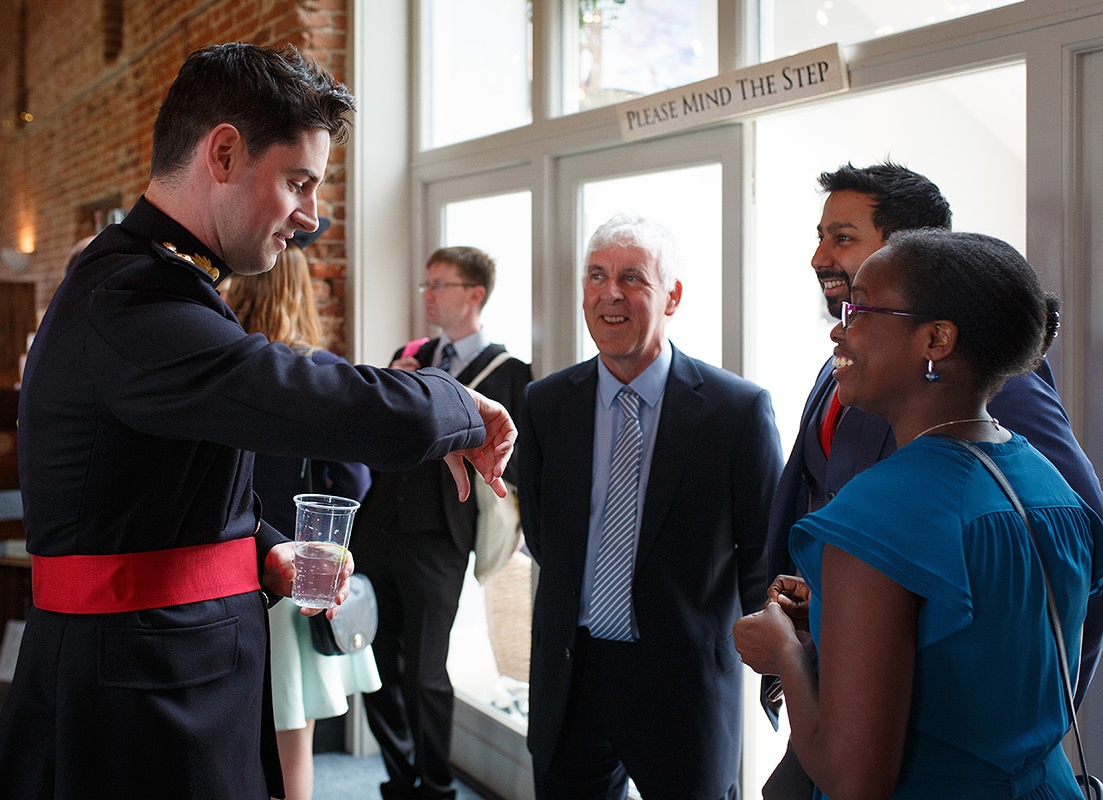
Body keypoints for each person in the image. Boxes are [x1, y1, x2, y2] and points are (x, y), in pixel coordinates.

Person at [0, 43, 516, 800]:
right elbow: (303, 394)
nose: (311, 215)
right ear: (224, 152)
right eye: (298, 182)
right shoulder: (135, 297)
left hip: (162, 667)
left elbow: (157, 487)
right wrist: (457, 402)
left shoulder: (153, 277)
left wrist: (262, 551)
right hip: (138, 693)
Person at [733, 228, 1103, 799]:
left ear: (936, 339)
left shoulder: (877, 512)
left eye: (860, 311)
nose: (839, 327)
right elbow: (987, 648)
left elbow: (856, 781)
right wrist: (835, 616)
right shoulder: (1048, 485)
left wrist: (782, 652)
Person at [518, 213, 783, 800]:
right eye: (596, 275)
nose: (610, 294)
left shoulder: (735, 411)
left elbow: (761, 555)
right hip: (572, 675)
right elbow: (543, 538)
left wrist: (780, 668)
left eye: (632, 277)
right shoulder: (545, 404)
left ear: (672, 296)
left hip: (683, 686)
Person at [352, 245, 532, 800]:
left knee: (425, 670)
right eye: (426, 284)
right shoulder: (411, 355)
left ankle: (434, 785)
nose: (427, 294)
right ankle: (397, 775)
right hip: (378, 527)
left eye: (439, 285)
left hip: (440, 539)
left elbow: (513, 460)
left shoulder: (511, 374)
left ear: (474, 294)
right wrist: (389, 388)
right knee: (374, 660)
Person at [223, 221, 382, 800]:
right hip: (299, 580)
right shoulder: (318, 373)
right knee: (294, 751)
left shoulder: (218, 372)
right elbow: (357, 479)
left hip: (224, 574)